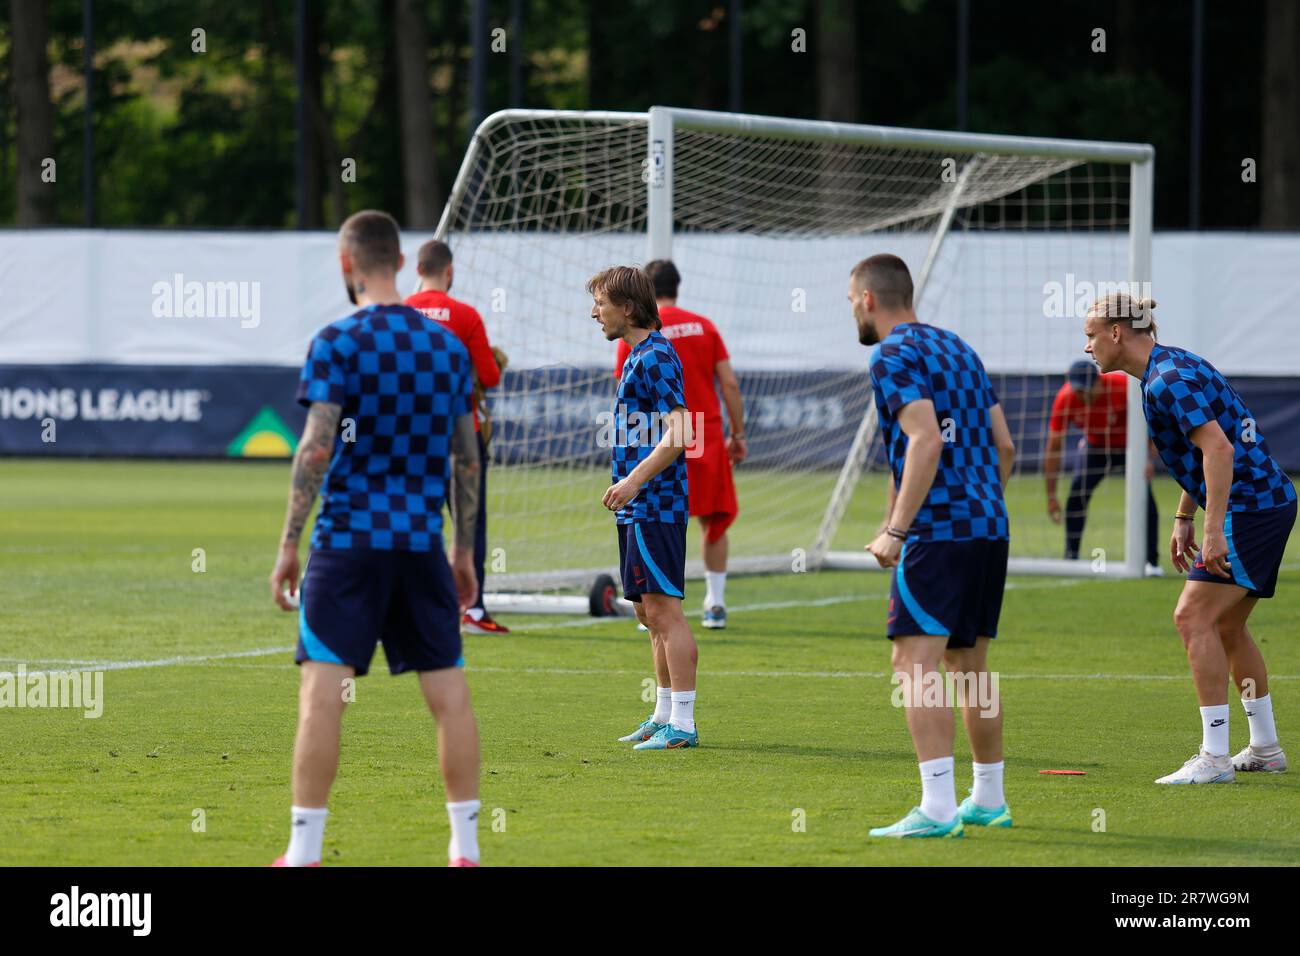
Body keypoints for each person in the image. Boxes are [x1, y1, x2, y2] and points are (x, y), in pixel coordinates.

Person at [269, 210, 484, 865]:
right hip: (421, 541)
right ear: (398, 262)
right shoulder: (447, 349)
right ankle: (466, 849)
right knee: (448, 695)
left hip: (348, 543)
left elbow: (315, 449)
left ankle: (304, 853)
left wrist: (288, 543)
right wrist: (464, 550)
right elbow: (467, 457)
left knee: (323, 694)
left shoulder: (336, 341)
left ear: (348, 264)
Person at [1084, 293, 1294, 783]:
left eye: (1091, 335)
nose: (1087, 346)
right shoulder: (1170, 365)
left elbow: (1218, 451)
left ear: (1117, 332)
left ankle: (1215, 758)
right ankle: (1264, 748)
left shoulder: (1166, 379)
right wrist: (1183, 516)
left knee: (1191, 616)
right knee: (1226, 626)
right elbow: (1200, 451)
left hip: (1251, 508)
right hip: (1267, 500)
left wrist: (1212, 529)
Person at [850, 254, 1017, 838]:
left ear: (869, 299)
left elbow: (924, 441)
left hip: (937, 533)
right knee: (971, 668)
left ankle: (939, 809)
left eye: (852, 300)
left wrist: (897, 530)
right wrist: (979, 506)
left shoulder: (891, 353)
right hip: (989, 528)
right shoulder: (959, 349)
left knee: (913, 664)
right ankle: (989, 799)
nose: (853, 310)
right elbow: (1005, 447)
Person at [591, 265, 700, 750]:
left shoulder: (656, 355)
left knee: (665, 612)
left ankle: (685, 724)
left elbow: (682, 432)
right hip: (639, 505)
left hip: (656, 504)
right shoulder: (639, 355)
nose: (595, 312)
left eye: (601, 302)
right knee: (646, 612)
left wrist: (633, 482)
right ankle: (662, 714)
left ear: (628, 308)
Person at [615, 260, 745, 628]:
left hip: (657, 439)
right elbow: (730, 384)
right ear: (678, 286)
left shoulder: (636, 332)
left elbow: (624, 396)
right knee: (713, 519)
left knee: (657, 515)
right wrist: (738, 434)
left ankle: (652, 601)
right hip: (704, 431)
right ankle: (715, 604)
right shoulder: (704, 325)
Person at [406, 239, 509, 635]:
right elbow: (490, 376)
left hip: (411, 437)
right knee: (470, 522)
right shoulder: (466, 316)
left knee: (417, 518)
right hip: (460, 435)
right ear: (449, 272)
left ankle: (416, 603)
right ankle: (474, 610)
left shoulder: (400, 313)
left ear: (418, 270)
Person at [1045, 359, 1162, 575]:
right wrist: (1051, 495)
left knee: (1145, 500)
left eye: (1087, 390)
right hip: (1095, 446)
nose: (1083, 397)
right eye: (1078, 391)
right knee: (1076, 496)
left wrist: (1148, 458)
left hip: (1130, 447)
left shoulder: (1122, 387)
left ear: (1098, 382)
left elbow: (1154, 423)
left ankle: (1151, 562)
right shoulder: (1066, 398)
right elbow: (1054, 447)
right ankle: (1070, 557)